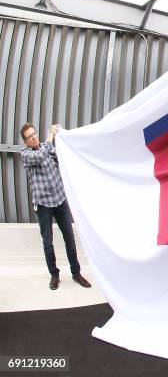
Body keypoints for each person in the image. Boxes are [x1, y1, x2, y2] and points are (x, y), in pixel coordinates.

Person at [20, 123, 91, 291]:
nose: (34, 137)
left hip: (60, 200)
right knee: (48, 242)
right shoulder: (25, 154)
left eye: (34, 134)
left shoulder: (47, 147)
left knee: (69, 238)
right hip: (43, 205)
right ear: (26, 142)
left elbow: (62, 157)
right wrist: (51, 136)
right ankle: (54, 275)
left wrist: (65, 141)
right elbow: (40, 157)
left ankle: (76, 272)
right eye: (30, 137)